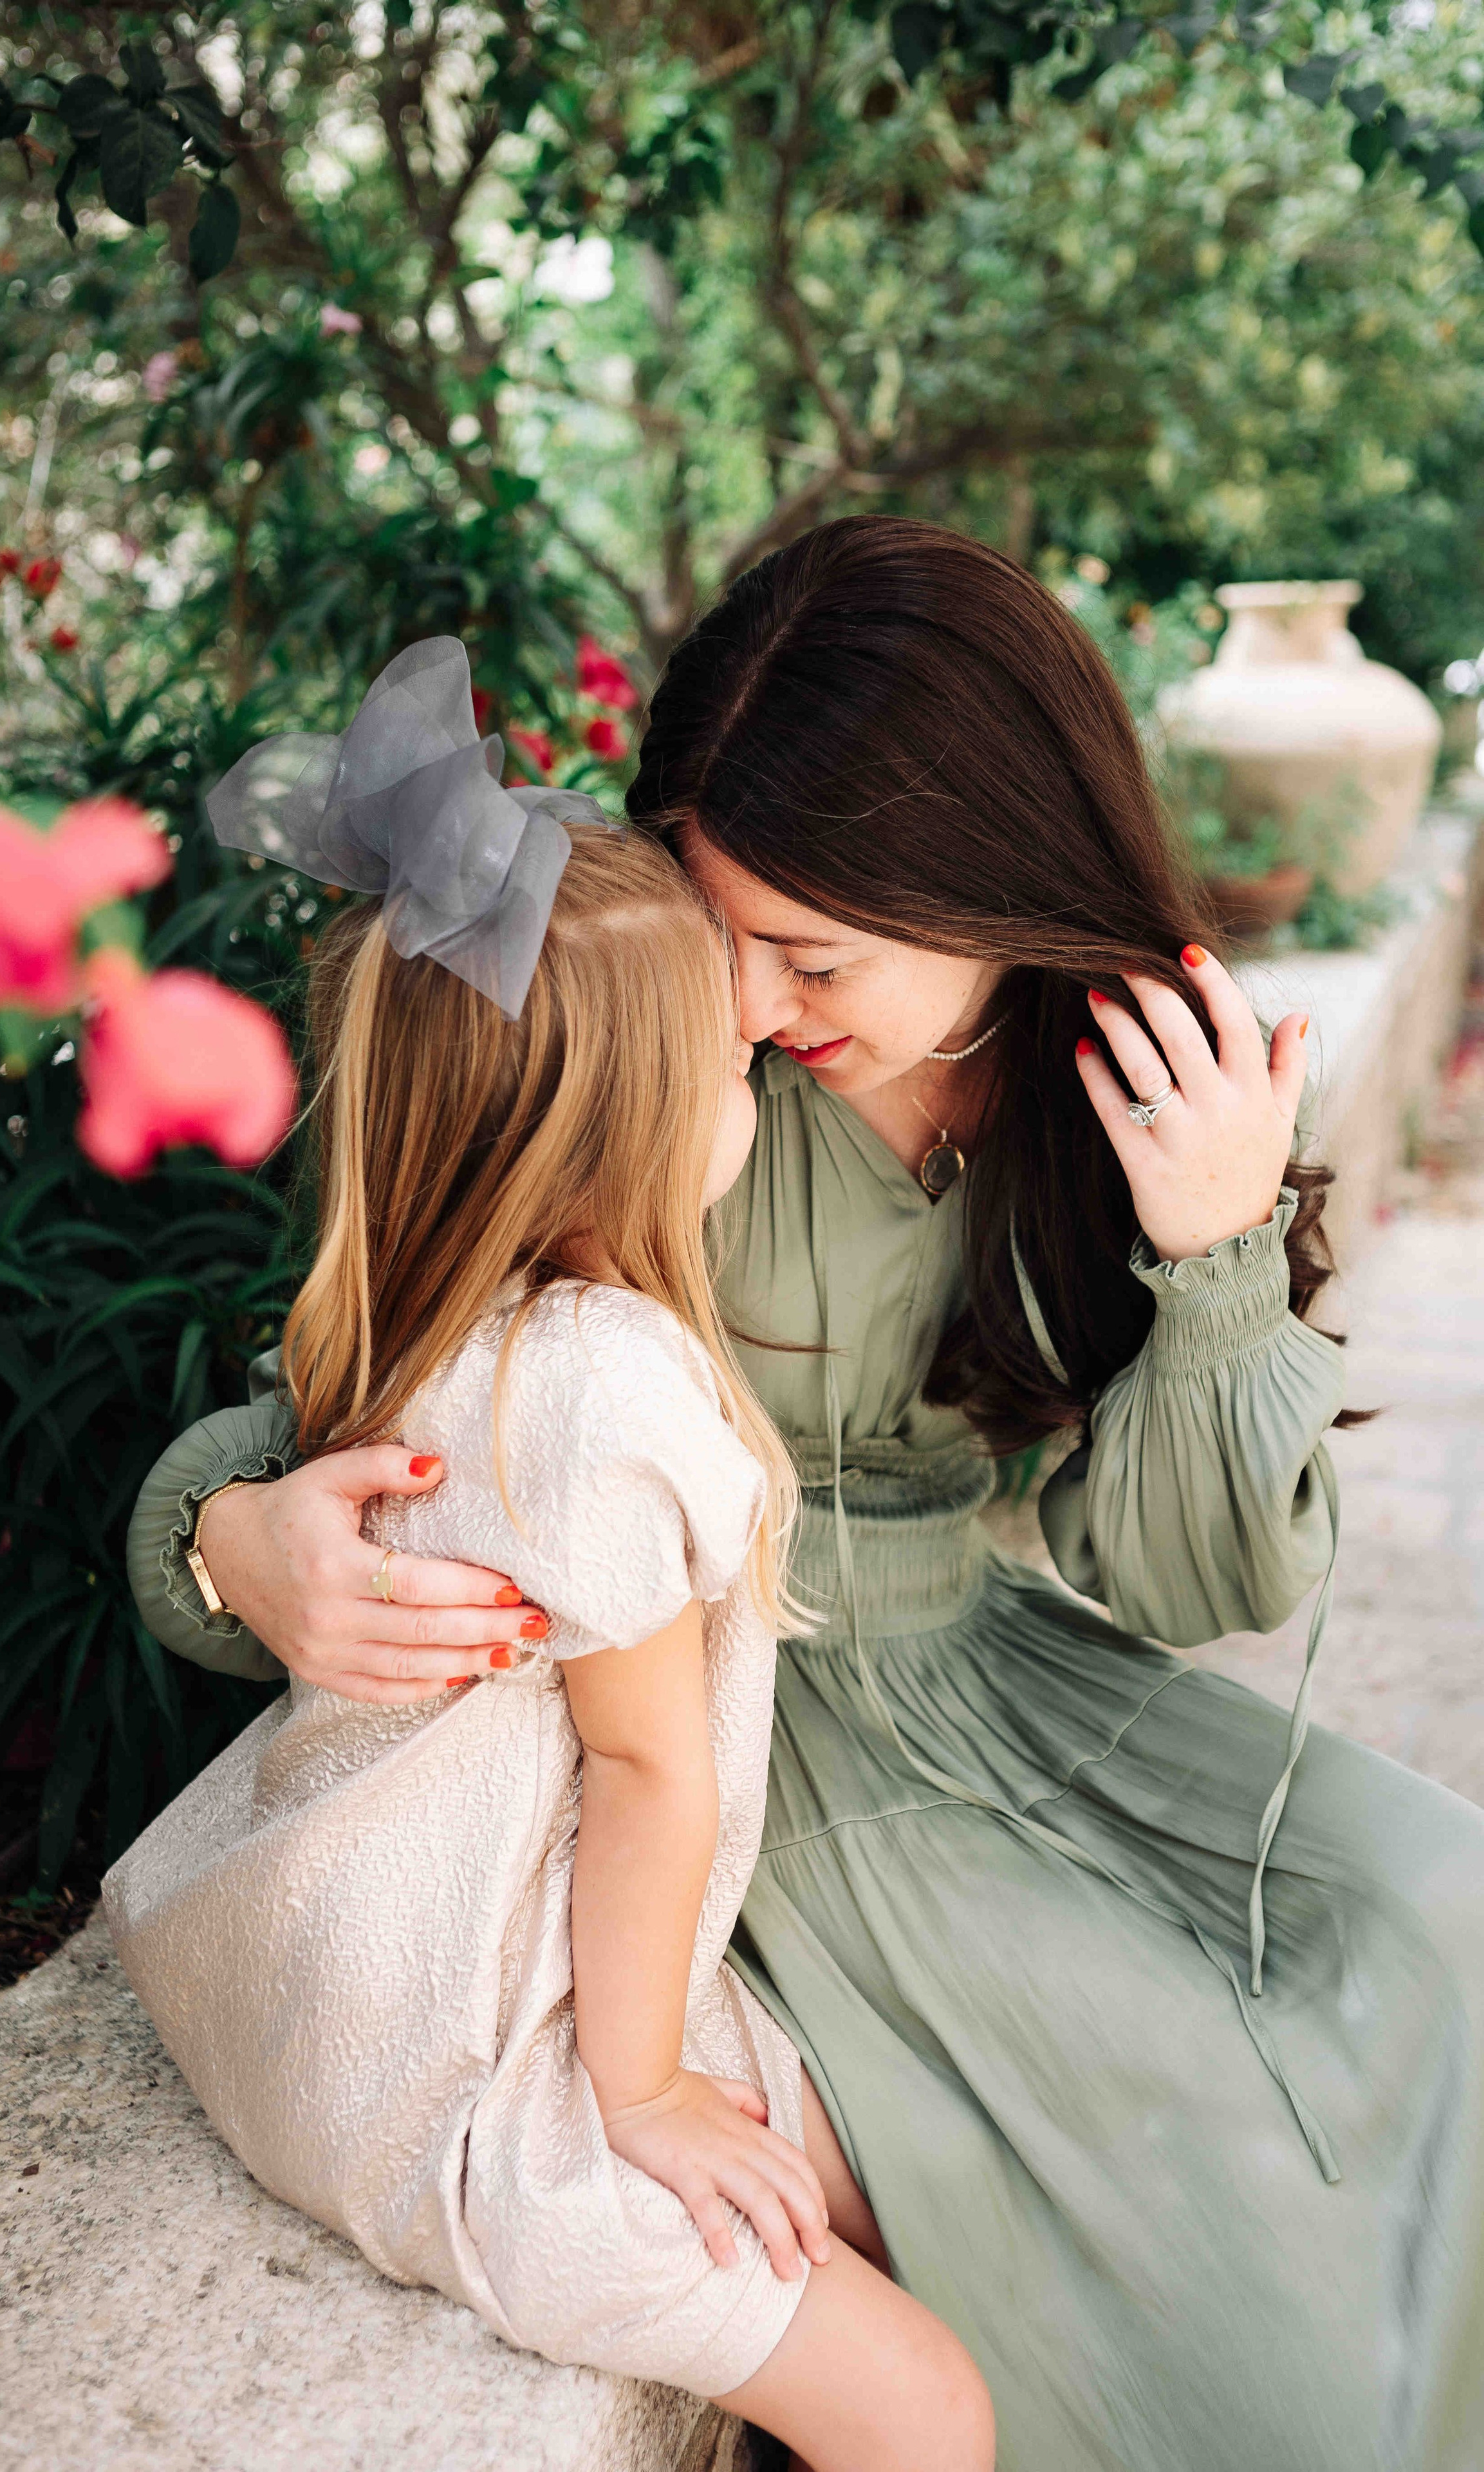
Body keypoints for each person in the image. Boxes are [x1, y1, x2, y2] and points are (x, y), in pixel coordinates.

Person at [128, 524, 1484, 2471]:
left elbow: (1190, 1583)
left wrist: (1215, 1256)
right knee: (1185, 2101)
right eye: (719, 930)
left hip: (994, 1679)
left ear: (991, 886)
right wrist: (229, 1545)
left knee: (1444, 1921)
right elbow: (375, 1387)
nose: (750, 1003)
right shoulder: (646, 1059)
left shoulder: (1112, 1083)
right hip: (733, 1730)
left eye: (814, 953)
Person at [104, 641, 994, 2472]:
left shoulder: (429, 1330)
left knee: (880, 2183)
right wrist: (650, 2089)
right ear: (625, 1134)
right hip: (481, 2059)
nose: (759, 1052)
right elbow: (647, 1763)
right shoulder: (610, 1398)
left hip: (371, 1965)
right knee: (935, 2412)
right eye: (718, 1055)